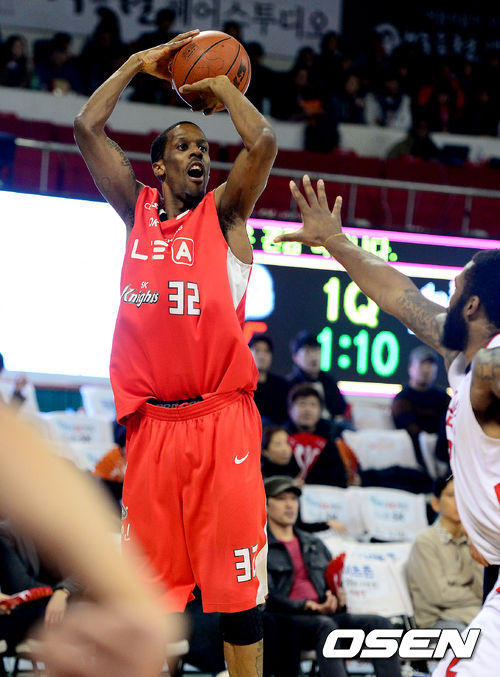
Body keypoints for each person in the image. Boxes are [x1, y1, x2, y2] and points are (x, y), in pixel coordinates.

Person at [74, 29, 277, 677]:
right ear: (157, 167)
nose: (199, 154)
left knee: (238, 595)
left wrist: (220, 84)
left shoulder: (225, 213)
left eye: (204, 148)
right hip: (153, 430)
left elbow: (262, 143)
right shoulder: (134, 212)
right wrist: (138, 63)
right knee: (147, 597)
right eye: (184, 146)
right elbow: (86, 127)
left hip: (221, 422)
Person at [274, 174, 500, 677]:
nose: (443, 297)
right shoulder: (464, 354)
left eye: (454, 289)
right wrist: (335, 241)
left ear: (472, 306)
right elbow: (400, 295)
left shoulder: (490, 364)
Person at [0, 405, 175, 677]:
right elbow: (22, 587)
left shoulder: (63, 527)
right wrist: (63, 593)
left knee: (101, 611)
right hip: (27, 610)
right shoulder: (8, 532)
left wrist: (63, 592)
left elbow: (85, 570)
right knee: (85, 614)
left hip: (62, 603)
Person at [264, 476, 402, 677]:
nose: (289, 505)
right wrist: (306, 605)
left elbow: (333, 582)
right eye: (281, 499)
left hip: (324, 615)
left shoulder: (314, 543)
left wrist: (336, 598)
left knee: (379, 624)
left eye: (293, 499)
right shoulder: (262, 547)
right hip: (288, 620)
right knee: (326, 627)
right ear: (265, 505)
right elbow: (267, 596)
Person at [407, 476, 483, 633]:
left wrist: (474, 542)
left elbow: (483, 588)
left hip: (474, 614)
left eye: (464, 496)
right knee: (474, 638)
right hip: (439, 621)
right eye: (452, 495)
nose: (459, 502)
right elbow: (439, 595)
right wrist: (477, 598)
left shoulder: (472, 539)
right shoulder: (426, 542)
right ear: (435, 504)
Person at [391, 345, 450, 471]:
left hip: (444, 452)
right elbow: (409, 429)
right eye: (422, 364)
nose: (426, 370)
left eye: (430, 365)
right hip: (415, 456)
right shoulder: (402, 399)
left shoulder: (444, 398)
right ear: (410, 368)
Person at [286, 384, 347, 488]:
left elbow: (339, 476)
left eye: (313, 405)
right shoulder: (281, 436)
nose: (307, 409)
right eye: (302, 404)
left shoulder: (331, 436)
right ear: (290, 410)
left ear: (320, 411)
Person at [287, 331, 347, 421]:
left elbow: (341, 410)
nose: (313, 357)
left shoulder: (329, 381)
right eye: (307, 352)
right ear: (295, 357)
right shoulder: (290, 384)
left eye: (316, 351)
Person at [249, 333, 288, 424]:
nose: (262, 356)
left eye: (266, 351)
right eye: (257, 350)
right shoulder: (240, 386)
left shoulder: (281, 386)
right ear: (248, 352)